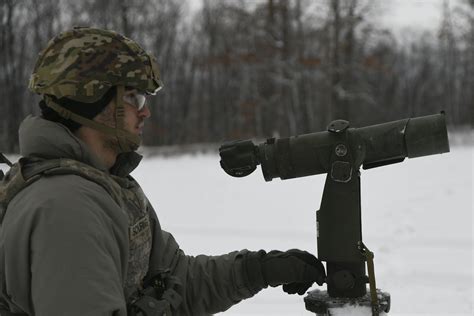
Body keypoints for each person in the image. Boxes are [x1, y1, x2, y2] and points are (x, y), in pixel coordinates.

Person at [0, 27, 326, 316]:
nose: (145, 111)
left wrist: (258, 270)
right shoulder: (66, 209)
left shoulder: (107, 185)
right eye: (132, 96)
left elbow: (176, 281)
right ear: (91, 99)